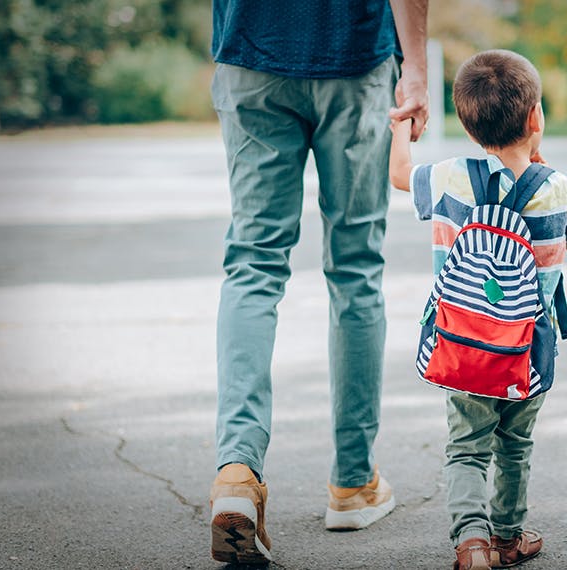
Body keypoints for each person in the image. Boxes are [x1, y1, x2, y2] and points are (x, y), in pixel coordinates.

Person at [206, 0, 429, 564]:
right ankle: (353, 484)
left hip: (252, 50)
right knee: (355, 268)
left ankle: (237, 472)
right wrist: (417, 68)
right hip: (351, 56)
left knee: (254, 264)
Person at [388, 49, 567, 569]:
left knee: (466, 447)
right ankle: (507, 537)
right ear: (536, 118)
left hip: (460, 345)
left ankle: (471, 542)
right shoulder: (558, 188)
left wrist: (400, 126)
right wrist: (544, 177)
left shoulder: (449, 177)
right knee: (514, 445)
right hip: (527, 351)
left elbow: (398, 177)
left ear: (467, 122)